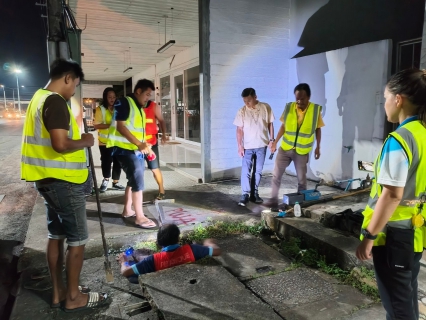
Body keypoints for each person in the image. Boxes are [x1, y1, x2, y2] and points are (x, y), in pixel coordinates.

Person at [21, 59, 110, 312]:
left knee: (56, 235)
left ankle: (59, 292)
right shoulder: (55, 101)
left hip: (46, 181)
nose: (73, 92)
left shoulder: (38, 98)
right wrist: (84, 141)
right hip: (64, 183)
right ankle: (74, 298)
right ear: (68, 78)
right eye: (75, 86)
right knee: (78, 239)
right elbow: (60, 144)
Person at [356, 68, 426, 320]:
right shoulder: (422, 133)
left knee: (398, 310)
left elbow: (392, 195)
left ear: (399, 99)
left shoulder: (400, 139)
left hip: (392, 236)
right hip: (415, 233)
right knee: (405, 299)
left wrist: (369, 235)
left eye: (386, 97)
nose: (384, 104)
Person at [106, 79, 156, 228]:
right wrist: (139, 144)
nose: (148, 98)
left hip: (133, 149)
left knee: (132, 180)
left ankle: (128, 210)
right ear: (138, 91)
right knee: (138, 181)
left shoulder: (138, 107)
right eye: (147, 94)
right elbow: (121, 127)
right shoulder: (124, 102)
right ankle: (140, 217)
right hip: (124, 149)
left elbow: (135, 130)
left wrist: (144, 145)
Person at [268, 83, 325, 207]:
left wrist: (318, 147)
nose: (299, 101)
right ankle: (272, 200)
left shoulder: (315, 110)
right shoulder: (289, 107)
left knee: (301, 180)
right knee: (276, 175)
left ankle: (300, 204)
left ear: (309, 97)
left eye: (302, 99)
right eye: (297, 99)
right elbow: (283, 126)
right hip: (285, 148)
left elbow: (318, 129)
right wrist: (275, 142)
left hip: (301, 151)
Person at [117, 224, 221, 278]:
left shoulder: (153, 260)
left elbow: (125, 272)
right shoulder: (192, 249)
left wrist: (123, 261)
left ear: (158, 242)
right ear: (178, 239)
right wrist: (208, 243)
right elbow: (217, 251)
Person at [233, 88, 275, 206]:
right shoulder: (242, 111)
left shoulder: (265, 107)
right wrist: (239, 146)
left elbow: (270, 124)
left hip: (262, 145)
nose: (247, 103)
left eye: (249, 101)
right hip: (247, 146)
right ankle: (245, 194)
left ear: (255, 97)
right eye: (245, 101)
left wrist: (272, 140)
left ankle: (254, 193)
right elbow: (239, 129)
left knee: (258, 171)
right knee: (246, 170)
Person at [94, 87, 125, 192]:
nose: (112, 99)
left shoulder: (118, 107)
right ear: (105, 98)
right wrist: (110, 125)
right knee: (106, 161)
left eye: (113, 97)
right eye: (109, 97)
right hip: (105, 142)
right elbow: (97, 125)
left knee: (118, 161)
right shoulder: (100, 109)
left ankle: (116, 182)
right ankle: (106, 180)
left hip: (117, 141)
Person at [143, 98, 168, 200]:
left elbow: (161, 120)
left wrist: (164, 135)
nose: (147, 96)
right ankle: (136, 194)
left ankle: (161, 190)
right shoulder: (134, 106)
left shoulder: (153, 106)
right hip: (137, 144)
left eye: (148, 94)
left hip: (151, 144)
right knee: (137, 171)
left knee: (155, 168)